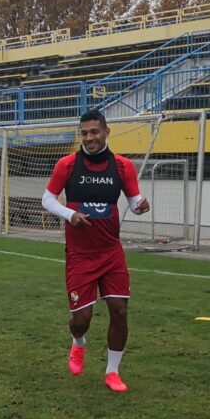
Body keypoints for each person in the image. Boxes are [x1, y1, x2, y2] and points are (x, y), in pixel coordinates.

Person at [40, 109, 150, 392]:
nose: (89, 138)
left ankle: (112, 372)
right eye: (84, 133)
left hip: (111, 252)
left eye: (94, 132)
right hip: (80, 255)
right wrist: (70, 215)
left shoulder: (123, 167)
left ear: (106, 132)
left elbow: (134, 202)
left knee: (120, 311)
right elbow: (47, 199)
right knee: (82, 321)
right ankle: (78, 342)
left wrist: (140, 207)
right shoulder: (67, 165)